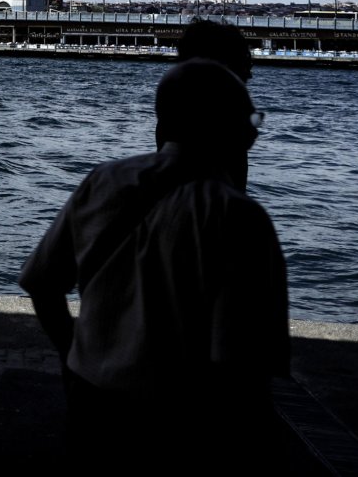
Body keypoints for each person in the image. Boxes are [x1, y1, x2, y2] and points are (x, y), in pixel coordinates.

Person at [18, 58, 290, 475]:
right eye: (249, 119)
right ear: (229, 127)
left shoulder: (104, 180)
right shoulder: (239, 217)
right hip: (182, 423)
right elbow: (241, 368)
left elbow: (42, 283)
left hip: (90, 399)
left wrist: (75, 354)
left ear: (163, 124)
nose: (254, 132)